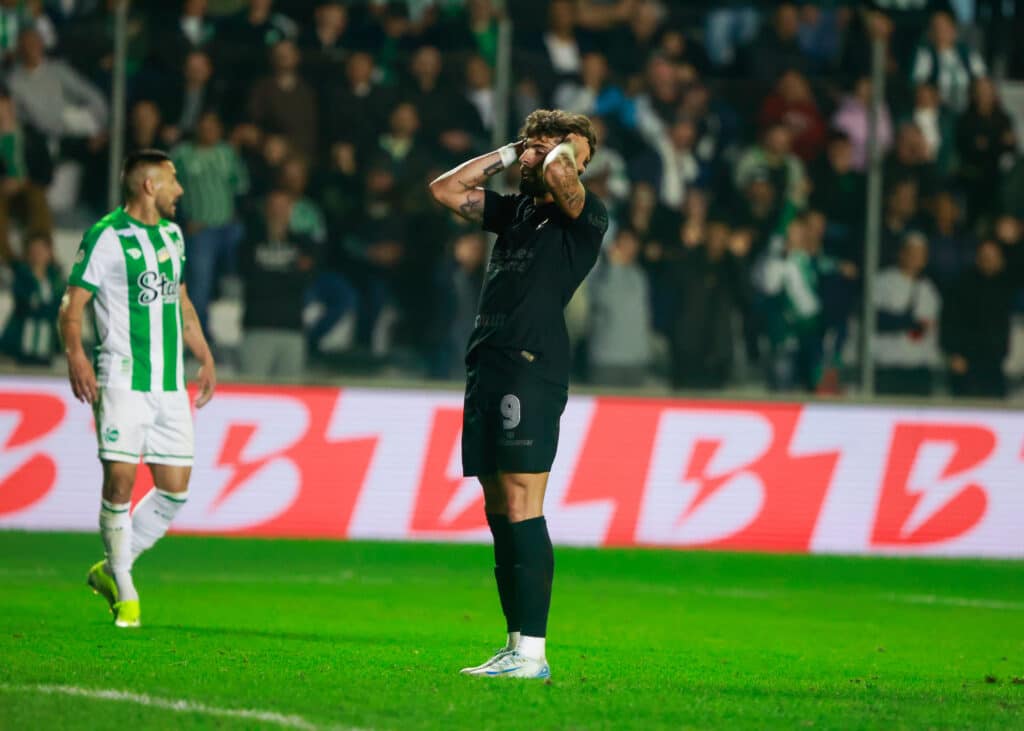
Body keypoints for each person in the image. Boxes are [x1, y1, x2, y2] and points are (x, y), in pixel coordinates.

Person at [428, 109, 606, 679]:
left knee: (524, 504)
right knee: (499, 510)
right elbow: (445, 188)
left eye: (576, 155)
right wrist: (512, 151)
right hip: (488, 364)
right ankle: (513, 645)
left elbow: (559, 174)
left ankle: (534, 653)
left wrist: (557, 149)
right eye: (555, 149)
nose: (563, 161)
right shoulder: (517, 213)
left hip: (532, 367)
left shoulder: (585, 216)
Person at [57, 149, 216, 629]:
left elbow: (181, 299)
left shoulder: (172, 235)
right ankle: (124, 588)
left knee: (174, 492)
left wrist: (204, 353)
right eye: (173, 181)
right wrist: (76, 355)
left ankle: (110, 568)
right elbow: (72, 304)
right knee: (121, 481)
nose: (181, 190)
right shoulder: (105, 236)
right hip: (123, 377)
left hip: (169, 386)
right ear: (150, 186)